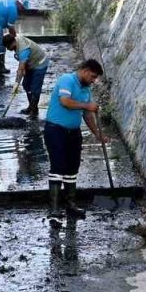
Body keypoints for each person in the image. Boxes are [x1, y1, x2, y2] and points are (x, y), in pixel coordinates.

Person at [42, 59, 107, 227]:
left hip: (73, 133)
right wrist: (87, 105)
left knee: (72, 169)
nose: (93, 80)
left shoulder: (86, 89)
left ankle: (70, 205)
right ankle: (54, 210)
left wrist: (97, 134)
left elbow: (87, 115)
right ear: (85, 71)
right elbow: (65, 101)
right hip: (56, 130)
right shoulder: (67, 80)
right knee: (58, 167)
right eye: (92, 76)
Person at [3, 32, 49, 117]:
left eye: (8, 47)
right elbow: (22, 68)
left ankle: (34, 111)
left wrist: (16, 85)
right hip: (30, 63)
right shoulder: (15, 38)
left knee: (35, 88)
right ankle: (31, 107)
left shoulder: (23, 50)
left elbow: (21, 70)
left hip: (40, 63)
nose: (7, 49)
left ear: (13, 43)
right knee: (26, 85)